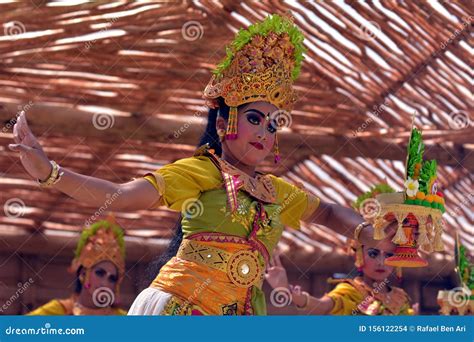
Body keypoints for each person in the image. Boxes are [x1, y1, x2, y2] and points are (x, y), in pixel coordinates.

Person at [11, 14, 382, 315]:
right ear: (223, 124)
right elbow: (119, 195)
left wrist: (368, 231)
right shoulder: (203, 171)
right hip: (182, 310)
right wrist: (50, 172)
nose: (264, 133)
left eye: (272, 125)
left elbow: (329, 211)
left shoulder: (276, 192)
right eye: (254, 118)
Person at [265, 184, 416, 315]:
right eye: (373, 253)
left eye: (389, 255)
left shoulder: (401, 297)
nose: (381, 262)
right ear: (358, 254)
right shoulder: (350, 291)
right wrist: (289, 292)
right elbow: (322, 307)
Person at [27, 216, 127, 315]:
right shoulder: (57, 312)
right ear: (83, 273)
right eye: (100, 273)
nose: (104, 283)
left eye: (112, 278)